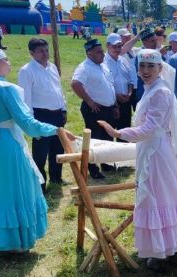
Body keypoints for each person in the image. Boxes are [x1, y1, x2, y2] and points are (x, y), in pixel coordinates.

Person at [97, 49, 177, 271]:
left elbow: (150, 128)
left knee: (159, 197)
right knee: (159, 196)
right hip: (151, 149)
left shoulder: (160, 92)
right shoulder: (151, 89)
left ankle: (169, 252)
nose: (145, 71)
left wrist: (118, 133)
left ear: (159, 68)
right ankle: (166, 250)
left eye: (150, 66)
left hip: (156, 151)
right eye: (142, 66)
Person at [0, 47, 75, 254]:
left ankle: (2, 241)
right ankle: (17, 242)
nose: (9, 62)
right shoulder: (4, 89)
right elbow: (27, 123)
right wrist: (56, 129)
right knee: (18, 188)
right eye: (5, 59)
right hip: (8, 145)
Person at [18, 38, 68, 192]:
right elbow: (26, 99)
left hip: (57, 114)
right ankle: (40, 184)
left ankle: (56, 177)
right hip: (41, 116)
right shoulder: (27, 71)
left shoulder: (52, 67)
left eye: (46, 50)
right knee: (41, 153)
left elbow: (58, 89)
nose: (45, 54)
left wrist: (63, 109)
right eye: (41, 51)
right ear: (32, 53)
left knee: (58, 148)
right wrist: (32, 124)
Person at [70, 39, 118, 179]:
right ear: (89, 53)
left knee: (107, 137)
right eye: (98, 52)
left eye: (102, 51)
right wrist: (89, 101)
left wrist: (114, 105)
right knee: (94, 139)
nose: (102, 54)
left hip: (108, 108)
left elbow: (110, 86)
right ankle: (92, 168)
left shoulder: (102, 66)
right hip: (95, 109)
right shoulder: (84, 67)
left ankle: (105, 163)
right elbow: (75, 84)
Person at [103, 34, 135, 134]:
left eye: (120, 46)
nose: (118, 49)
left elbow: (130, 81)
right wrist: (116, 96)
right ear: (107, 45)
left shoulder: (124, 60)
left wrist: (129, 94)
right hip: (110, 104)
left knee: (125, 133)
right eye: (114, 46)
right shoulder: (103, 62)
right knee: (109, 133)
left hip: (125, 102)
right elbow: (104, 85)